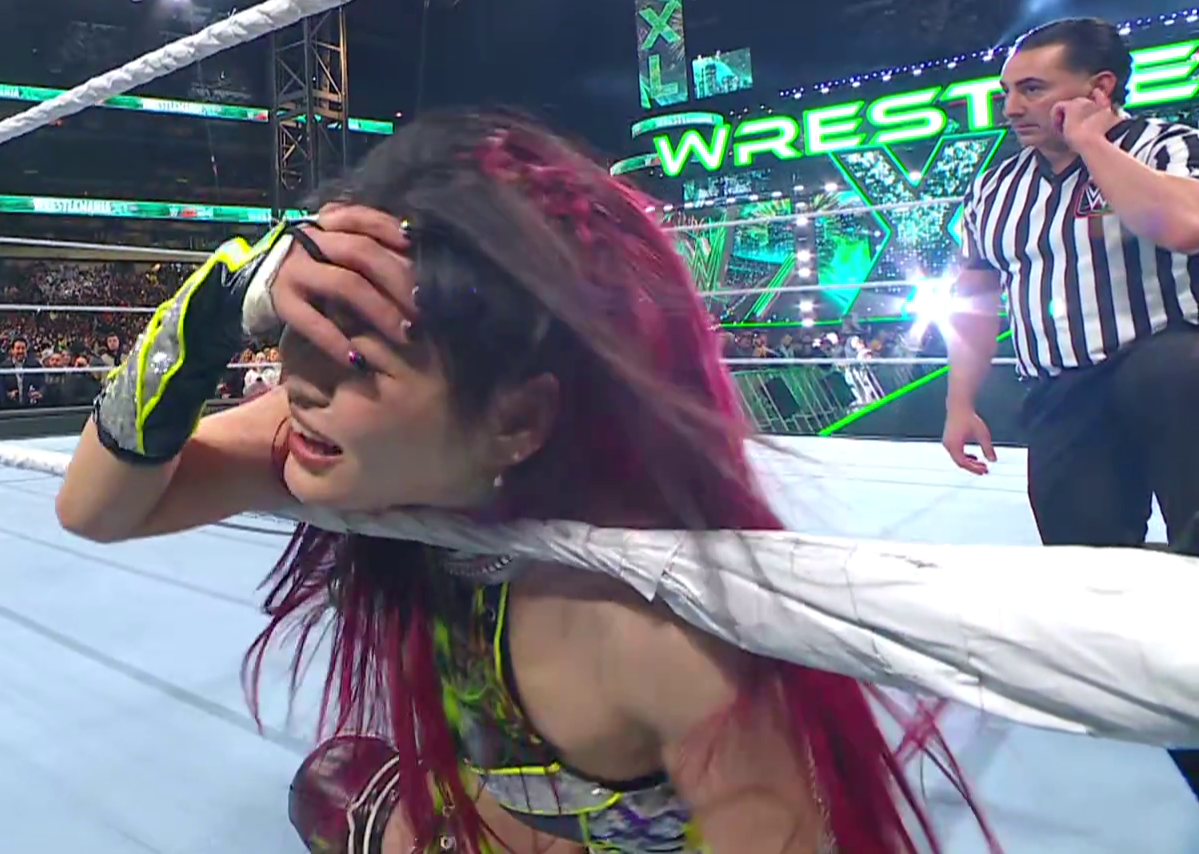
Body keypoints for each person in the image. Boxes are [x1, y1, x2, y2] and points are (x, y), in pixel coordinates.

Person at [58, 112, 989, 854]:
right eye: (298, 331)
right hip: (491, 822)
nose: (296, 381)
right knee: (333, 784)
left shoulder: (651, 626)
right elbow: (95, 508)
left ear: (516, 419)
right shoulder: (328, 439)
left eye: (355, 355)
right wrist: (213, 308)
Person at [943, 16, 1199, 797]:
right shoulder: (996, 188)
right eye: (1006, 92)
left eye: (1032, 89)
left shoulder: (1165, 146)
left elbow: (1181, 226)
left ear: (1099, 87)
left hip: (1168, 371)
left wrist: (1092, 142)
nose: (1011, 108)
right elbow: (975, 295)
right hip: (1059, 391)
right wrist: (961, 401)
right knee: (1087, 582)